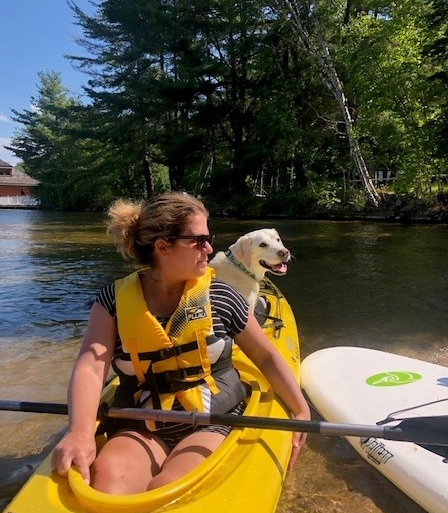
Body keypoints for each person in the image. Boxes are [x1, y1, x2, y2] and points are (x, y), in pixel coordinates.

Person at [51, 192, 310, 494]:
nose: (210, 248)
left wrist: (300, 410)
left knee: (172, 486)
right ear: (163, 247)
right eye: (199, 241)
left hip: (211, 418)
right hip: (141, 418)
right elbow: (91, 367)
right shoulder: (112, 302)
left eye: (208, 238)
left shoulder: (222, 296)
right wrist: (80, 431)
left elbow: (265, 357)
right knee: (108, 479)